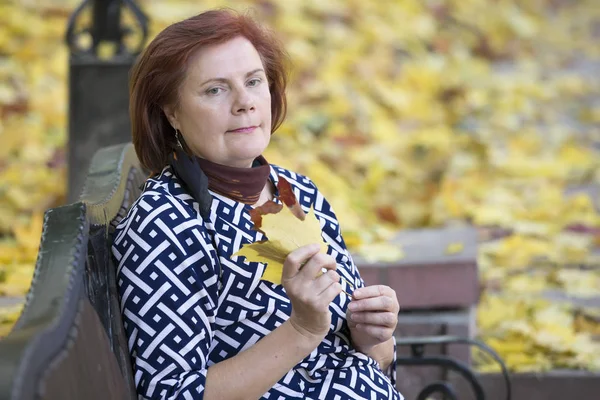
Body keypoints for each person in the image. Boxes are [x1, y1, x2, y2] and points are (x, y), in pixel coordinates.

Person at [112, 8, 403, 400]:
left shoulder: (295, 190)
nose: (244, 103)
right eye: (215, 89)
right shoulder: (164, 224)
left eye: (253, 81)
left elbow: (369, 360)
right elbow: (174, 393)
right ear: (172, 113)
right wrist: (301, 330)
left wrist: (374, 339)